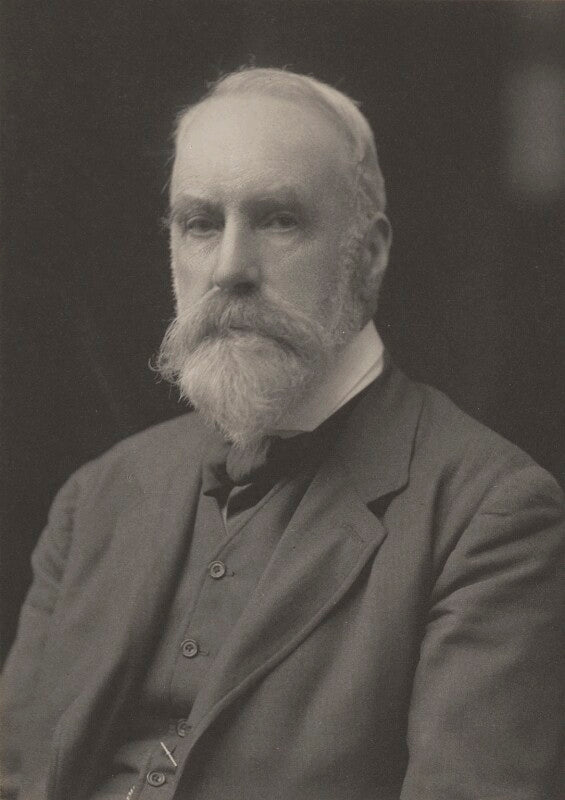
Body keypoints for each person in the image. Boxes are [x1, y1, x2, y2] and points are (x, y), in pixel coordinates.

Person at [1, 67, 563, 800]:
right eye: (201, 224)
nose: (229, 268)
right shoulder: (97, 497)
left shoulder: (489, 518)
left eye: (278, 220)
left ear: (369, 254)